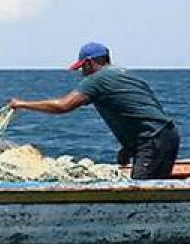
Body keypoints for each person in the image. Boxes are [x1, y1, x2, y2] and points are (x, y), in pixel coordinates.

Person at [9, 42, 180, 179]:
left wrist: (22, 104)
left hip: (151, 139)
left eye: (83, 67)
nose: (82, 73)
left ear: (90, 63)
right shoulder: (128, 75)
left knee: (142, 194)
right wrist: (128, 147)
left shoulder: (97, 79)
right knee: (155, 185)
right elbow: (140, 111)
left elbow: (63, 105)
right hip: (167, 134)